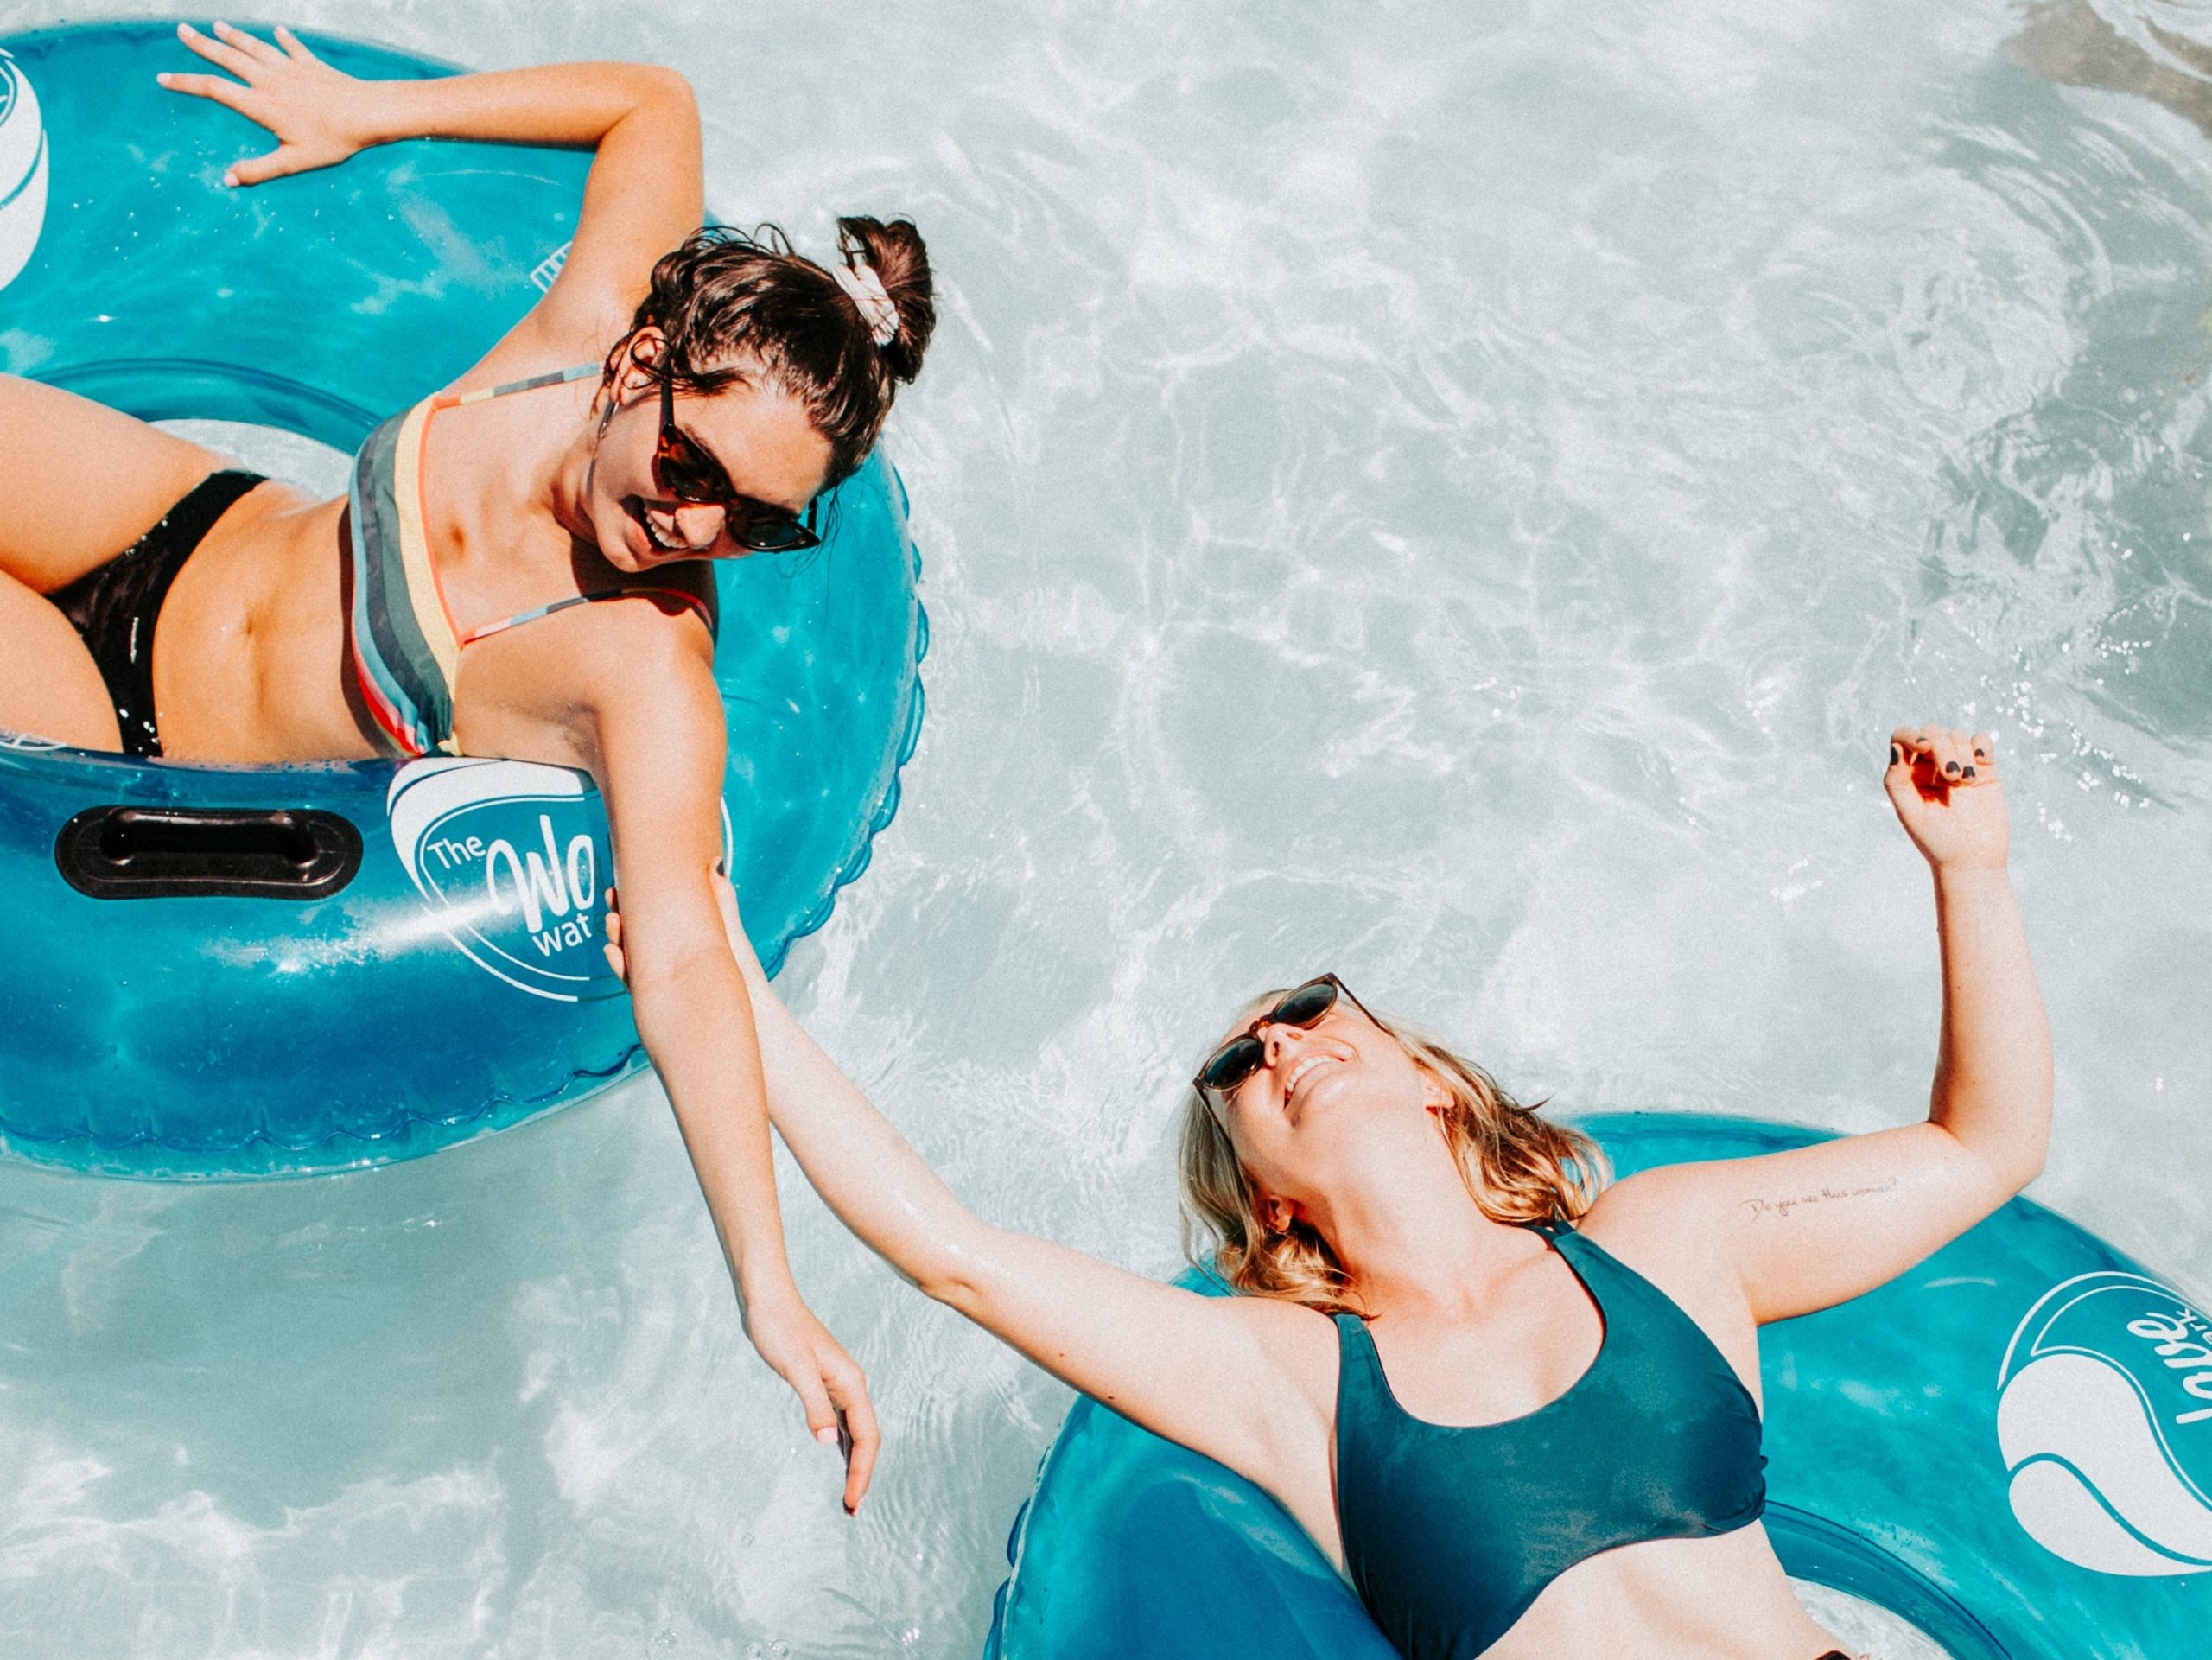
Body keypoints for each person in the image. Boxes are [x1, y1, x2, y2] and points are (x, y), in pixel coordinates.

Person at [0, 22, 935, 1504]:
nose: (699, 533)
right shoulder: (571, 339)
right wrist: (365, 113)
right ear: (638, 363)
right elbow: (653, 102)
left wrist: (768, 1283)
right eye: (692, 471)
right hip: (177, 518)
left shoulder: (640, 665)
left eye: (760, 524)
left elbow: (687, 960)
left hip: (122, 735)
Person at [608, 723, 2051, 1656]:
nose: (1284, 1042)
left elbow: (1985, 1148)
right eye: (1242, 1058)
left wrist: (1968, 868)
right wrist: (722, 968)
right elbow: (957, 1255)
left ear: (1431, 1075)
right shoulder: (1295, 1383)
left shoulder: (1669, 1243)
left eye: (1307, 1006)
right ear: (1268, 1204)